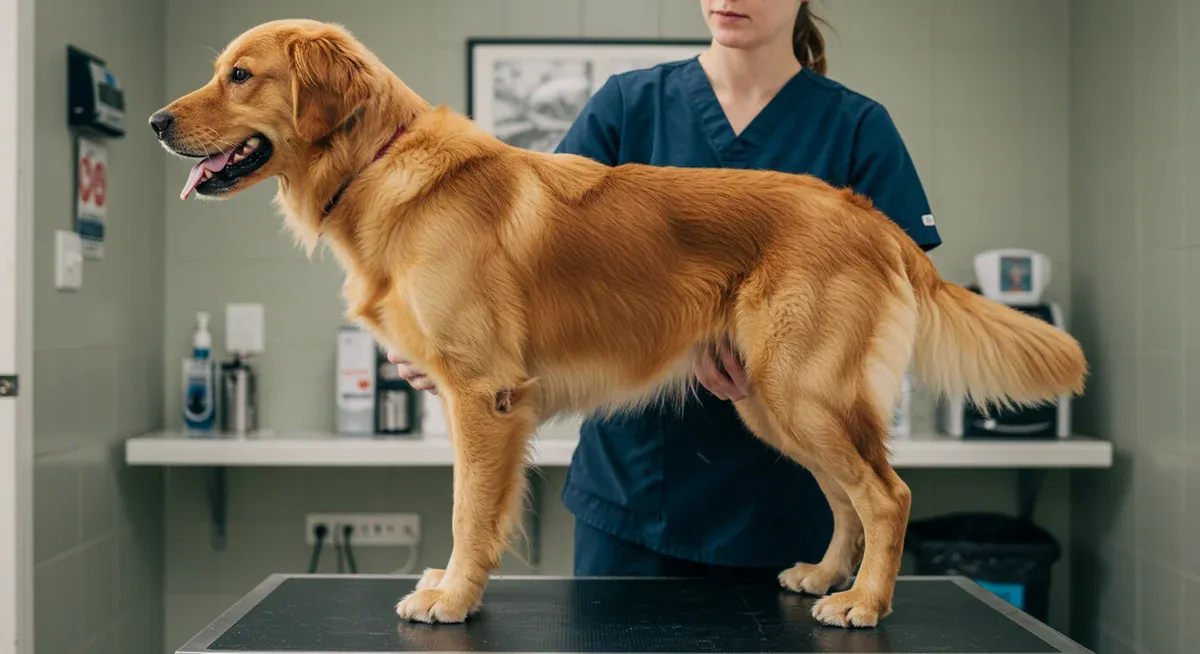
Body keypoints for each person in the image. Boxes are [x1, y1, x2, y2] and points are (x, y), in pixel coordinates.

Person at [389, 0, 942, 581]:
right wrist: (453, 341)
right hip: (634, 498)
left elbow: (894, 299)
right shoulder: (628, 105)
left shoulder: (856, 127)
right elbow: (540, 272)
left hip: (787, 509)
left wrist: (779, 351)